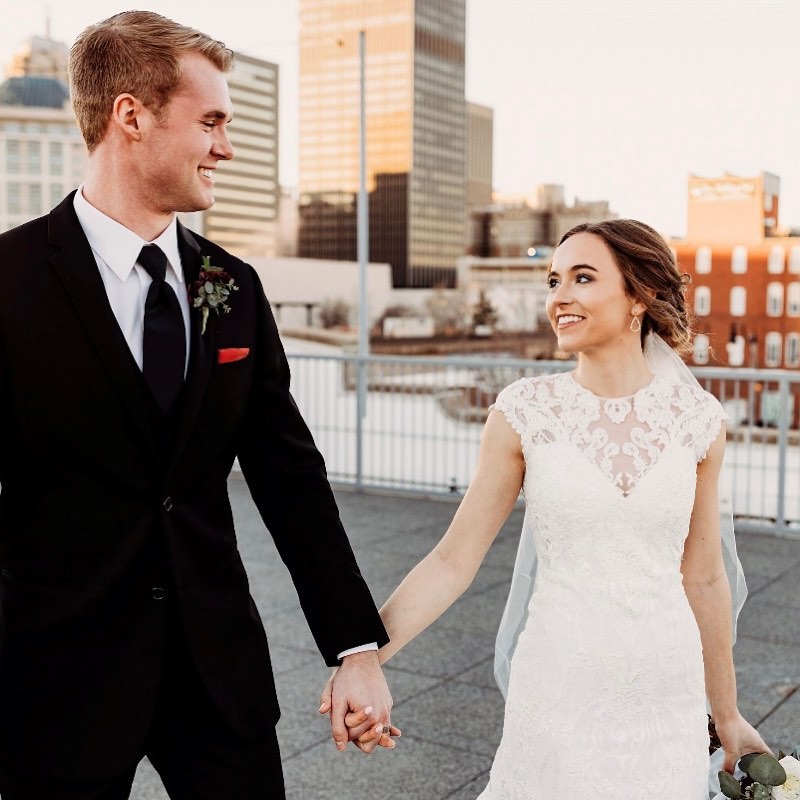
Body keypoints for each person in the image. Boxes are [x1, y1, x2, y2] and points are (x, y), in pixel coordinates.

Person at [0, 10, 393, 799]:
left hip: (218, 675)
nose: (227, 146)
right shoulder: (9, 279)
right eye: (211, 121)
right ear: (131, 117)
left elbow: (291, 479)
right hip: (54, 683)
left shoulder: (234, 288)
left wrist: (355, 651)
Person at [322, 219, 769, 796]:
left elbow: (705, 577)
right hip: (559, 682)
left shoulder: (699, 420)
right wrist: (366, 658)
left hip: (668, 688)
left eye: (582, 278)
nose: (559, 297)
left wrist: (726, 714)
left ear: (641, 296)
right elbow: (452, 561)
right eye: (554, 280)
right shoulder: (525, 412)